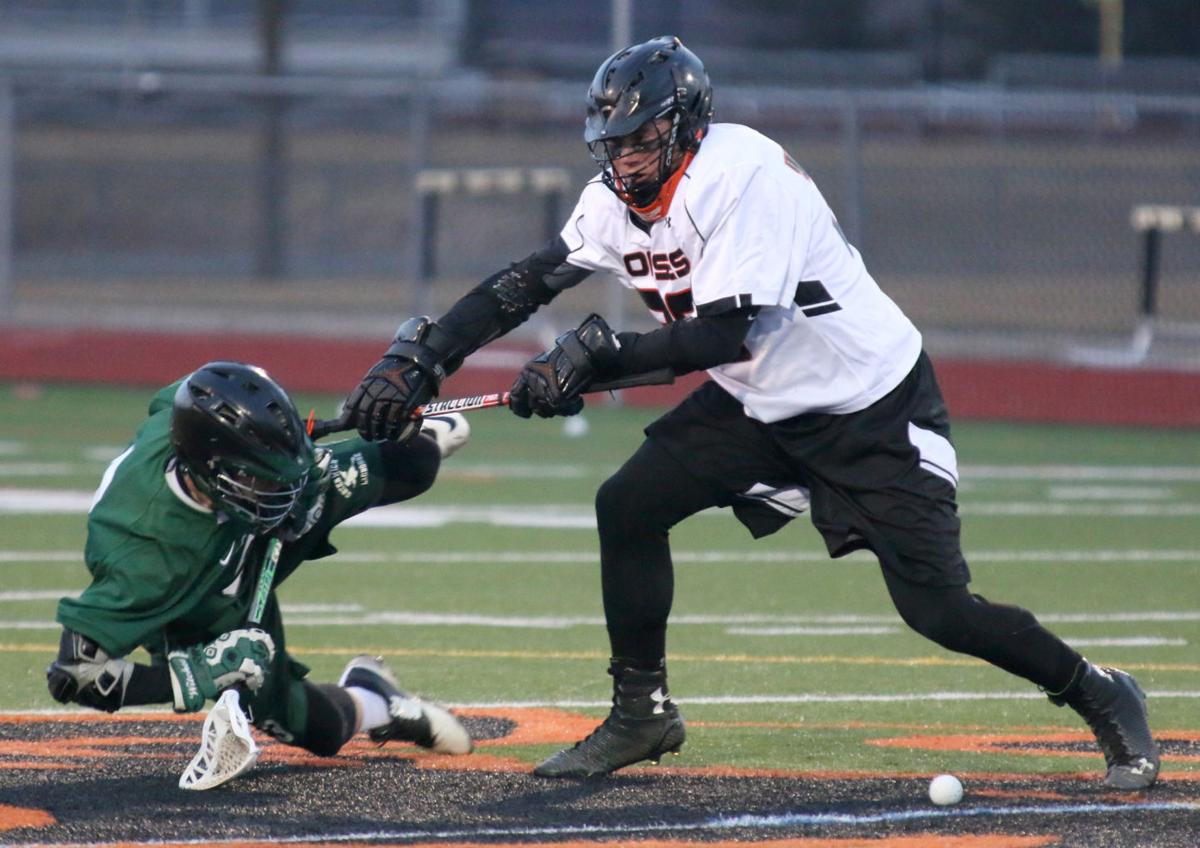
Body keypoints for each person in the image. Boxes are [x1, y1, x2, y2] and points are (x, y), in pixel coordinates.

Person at [339, 36, 1160, 787]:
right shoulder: (612, 200)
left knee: (939, 611)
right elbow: (525, 283)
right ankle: (641, 715)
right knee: (628, 504)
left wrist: (597, 363)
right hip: (761, 400)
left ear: (688, 126)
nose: (625, 160)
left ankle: (1100, 692)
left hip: (864, 405)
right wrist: (422, 358)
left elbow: (729, 332)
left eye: (641, 139)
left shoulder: (746, 174)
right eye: (614, 144)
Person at [47, 361, 473, 765]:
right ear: (208, 469)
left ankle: (424, 436)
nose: (278, 481)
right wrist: (201, 672)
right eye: (257, 474)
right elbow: (75, 674)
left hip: (252, 515)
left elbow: (215, 408)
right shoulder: (144, 557)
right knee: (314, 728)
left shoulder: (201, 410)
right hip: (205, 596)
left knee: (411, 462)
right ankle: (376, 700)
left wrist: (299, 445)